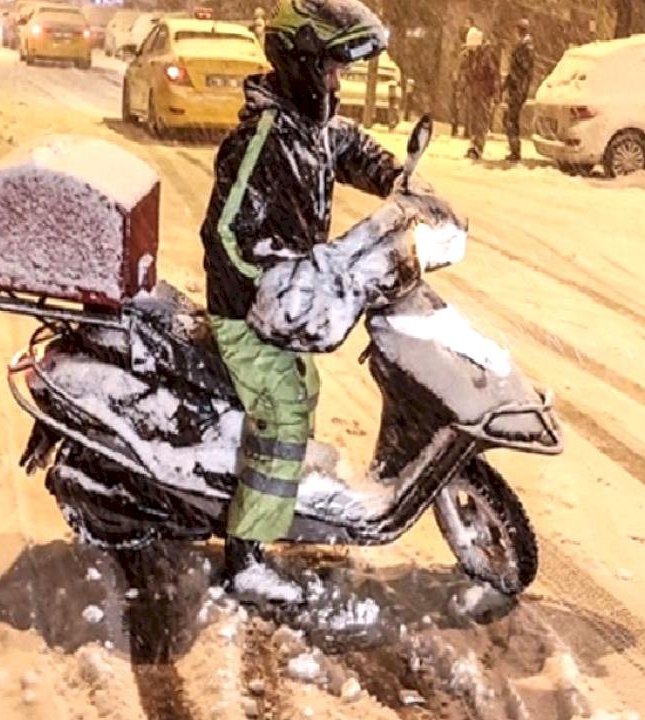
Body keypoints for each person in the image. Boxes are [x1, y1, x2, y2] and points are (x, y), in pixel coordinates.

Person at [200, 0, 403, 604]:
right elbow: (227, 234)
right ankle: (246, 557)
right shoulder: (261, 139)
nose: (338, 82)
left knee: (304, 388)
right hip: (247, 311)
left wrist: (399, 180)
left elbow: (349, 150)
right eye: (332, 69)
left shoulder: (308, 128)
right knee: (285, 408)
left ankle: (272, 487)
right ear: (300, 64)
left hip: (283, 308)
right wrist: (272, 284)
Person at [461, 28, 500, 159]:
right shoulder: (469, 56)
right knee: (473, 120)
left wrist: (495, 93)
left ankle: (478, 147)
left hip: (484, 93)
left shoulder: (487, 56)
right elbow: (466, 73)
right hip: (473, 92)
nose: (470, 49)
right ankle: (473, 145)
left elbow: (494, 75)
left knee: (481, 120)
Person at [502, 19, 534, 162]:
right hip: (516, 87)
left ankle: (515, 150)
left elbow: (523, 70)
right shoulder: (523, 46)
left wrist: (516, 85)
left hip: (518, 89)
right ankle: (514, 149)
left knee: (510, 119)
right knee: (510, 119)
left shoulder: (526, 47)